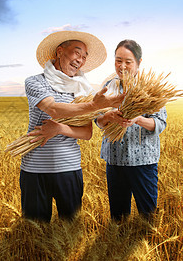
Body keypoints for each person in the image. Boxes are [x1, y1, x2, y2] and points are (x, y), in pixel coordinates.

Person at [20, 31, 124, 222]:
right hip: (34, 169)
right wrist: (94, 106)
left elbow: (86, 133)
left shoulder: (84, 90)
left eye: (84, 57)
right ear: (60, 51)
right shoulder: (35, 82)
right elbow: (53, 109)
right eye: (77, 53)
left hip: (68, 168)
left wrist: (59, 129)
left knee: (70, 230)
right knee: (34, 232)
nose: (81, 60)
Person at [94, 39, 167, 221]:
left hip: (142, 161)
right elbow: (98, 121)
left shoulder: (151, 89)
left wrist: (138, 119)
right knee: (118, 219)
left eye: (128, 61)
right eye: (118, 61)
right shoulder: (108, 86)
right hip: (114, 160)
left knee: (147, 216)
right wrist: (108, 117)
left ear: (139, 62)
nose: (122, 66)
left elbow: (159, 124)